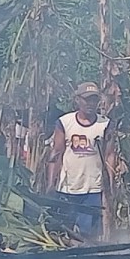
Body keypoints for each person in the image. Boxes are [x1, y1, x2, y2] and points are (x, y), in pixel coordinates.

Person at [48, 82, 112, 240]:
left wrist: (110, 185)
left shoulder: (104, 124)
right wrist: (51, 183)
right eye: (87, 100)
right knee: (62, 232)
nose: (91, 104)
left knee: (88, 235)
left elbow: (109, 155)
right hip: (67, 187)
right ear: (77, 100)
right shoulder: (65, 122)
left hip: (92, 189)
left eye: (94, 100)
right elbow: (56, 153)